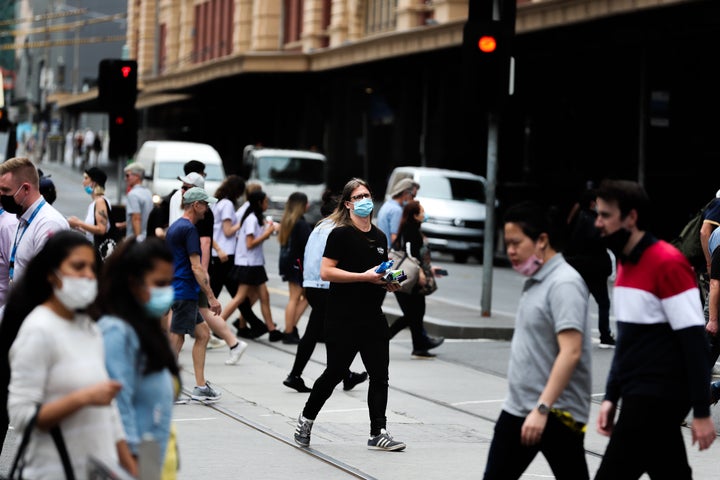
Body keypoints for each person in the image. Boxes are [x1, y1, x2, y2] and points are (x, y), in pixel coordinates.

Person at [593, 179, 715, 479]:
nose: (598, 223)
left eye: (605, 215)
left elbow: (694, 343)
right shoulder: (624, 265)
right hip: (639, 398)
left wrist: (701, 411)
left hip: (659, 399)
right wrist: (611, 396)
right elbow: (627, 343)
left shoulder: (667, 263)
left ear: (631, 218)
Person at [4, 231, 134, 477]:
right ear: (52, 274)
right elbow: (22, 416)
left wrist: (130, 469)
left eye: (92, 268)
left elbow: (109, 413)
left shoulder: (89, 328)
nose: (88, 275)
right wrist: (83, 398)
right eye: (78, 266)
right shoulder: (38, 330)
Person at [294, 178, 406, 452]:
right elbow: (326, 272)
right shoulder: (340, 234)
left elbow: (378, 273)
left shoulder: (379, 237)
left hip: (372, 316)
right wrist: (363, 277)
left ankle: (378, 431)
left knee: (380, 375)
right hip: (342, 316)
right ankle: (306, 419)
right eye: (358, 197)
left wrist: (388, 282)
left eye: (367, 195)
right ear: (348, 204)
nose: (365, 200)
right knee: (334, 373)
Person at [482, 202, 592, 480]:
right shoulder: (537, 279)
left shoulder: (564, 283)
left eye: (516, 243)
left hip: (555, 414)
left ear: (542, 240)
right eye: (507, 243)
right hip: (520, 409)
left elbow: (571, 351)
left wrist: (542, 409)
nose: (510, 251)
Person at [94, 237, 180, 474]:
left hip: (153, 459)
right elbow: (117, 411)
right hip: (130, 464)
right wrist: (133, 468)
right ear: (133, 284)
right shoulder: (116, 331)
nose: (167, 291)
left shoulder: (149, 329)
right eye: (159, 283)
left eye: (170, 283)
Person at [283, 190, 368, 393]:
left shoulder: (319, 227)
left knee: (317, 331)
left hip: (312, 285)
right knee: (338, 333)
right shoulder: (338, 229)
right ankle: (338, 374)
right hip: (327, 286)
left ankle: (304, 374)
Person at [165, 187, 223, 401]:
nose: (207, 209)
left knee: (203, 334)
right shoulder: (189, 230)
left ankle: (200, 386)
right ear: (196, 205)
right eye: (205, 204)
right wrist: (211, 297)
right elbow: (196, 267)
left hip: (179, 290)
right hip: (185, 291)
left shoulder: (176, 227)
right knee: (177, 339)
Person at [220, 190, 282, 341]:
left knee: (262, 296)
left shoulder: (255, 218)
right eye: (266, 201)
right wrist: (267, 233)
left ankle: (269, 330)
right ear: (259, 203)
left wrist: (268, 230)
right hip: (248, 264)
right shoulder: (251, 219)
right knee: (240, 297)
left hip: (255, 263)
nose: (267, 204)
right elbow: (250, 244)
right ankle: (218, 325)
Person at [211, 175, 267, 338]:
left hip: (219, 252)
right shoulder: (227, 204)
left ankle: (255, 324)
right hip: (226, 253)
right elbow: (228, 230)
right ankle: (213, 326)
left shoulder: (219, 202)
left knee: (228, 292)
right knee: (233, 293)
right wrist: (242, 224)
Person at [389, 200, 446, 358]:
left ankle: (420, 345)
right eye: (421, 212)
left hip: (407, 276)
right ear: (415, 215)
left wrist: (429, 269)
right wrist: (420, 271)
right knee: (412, 314)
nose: (424, 215)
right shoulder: (410, 230)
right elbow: (410, 254)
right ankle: (382, 339)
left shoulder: (411, 229)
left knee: (416, 313)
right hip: (408, 277)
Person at [0, 157, 69, 286]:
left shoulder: (49, 224)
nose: (1, 195)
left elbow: (47, 285)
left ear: (26, 189)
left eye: (6, 190)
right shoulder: (22, 219)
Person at [564, 187, 615, 348]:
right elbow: (598, 242)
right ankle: (605, 335)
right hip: (593, 268)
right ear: (594, 203)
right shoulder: (593, 220)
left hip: (581, 267)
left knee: (581, 302)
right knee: (603, 302)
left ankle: (574, 333)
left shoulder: (580, 217)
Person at [278, 192, 312, 344]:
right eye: (306, 203)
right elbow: (309, 246)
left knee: (296, 297)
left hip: (289, 264)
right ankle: (289, 330)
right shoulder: (302, 224)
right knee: (302, 297)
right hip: (298, 265)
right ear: (303, 205)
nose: (309, 206)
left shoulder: (287, 221)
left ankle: (290, 329)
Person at [67, 167, 112, 248]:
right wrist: (78, 227)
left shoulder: (100, 202)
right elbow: (92, 232)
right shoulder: (94, 203)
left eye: (86, 178)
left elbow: (101, 230)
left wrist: (79, 222)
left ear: (93, 183)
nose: (83, 182)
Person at [376, 177, 419, 248]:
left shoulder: (387, 204)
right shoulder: (397, 210)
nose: (413, 199)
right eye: (413, 196)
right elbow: (394, 238)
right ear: (406, 193)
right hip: (389, 252)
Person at [122, 162, 153, 241]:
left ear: (137, 176)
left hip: (135, 240)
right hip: (147, 238)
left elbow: (136, 218)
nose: (126, 179)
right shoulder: (148, 192)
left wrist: (138, 240)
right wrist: (124, 224)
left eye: (128, 175)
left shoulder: (133, 195)